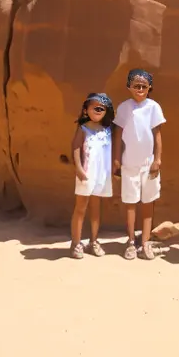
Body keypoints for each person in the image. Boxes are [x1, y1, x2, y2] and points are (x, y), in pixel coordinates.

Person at [112, 68, 166, 261]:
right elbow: (118, 134)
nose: (140, 89)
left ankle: (145, 242)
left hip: (148, 163)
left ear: (149, 87)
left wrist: (157, 159)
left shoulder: (153, 107)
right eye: (136, 86)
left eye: (143, 86)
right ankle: (130, 242)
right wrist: (116, 159)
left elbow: (157, 134)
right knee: (130, 203)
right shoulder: (124, 108)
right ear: (129, 87)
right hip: (129, 164)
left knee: (148, 202)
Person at [69, 93, 115, 259]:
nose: (98, 110)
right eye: (95, 107)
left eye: (101, 108)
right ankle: (76, 243)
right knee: (80, 208)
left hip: (101, 176)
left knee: (96, 209)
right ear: (86, 110)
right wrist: (79, 169)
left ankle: (93, 241)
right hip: (86, 174)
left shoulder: (108, 130)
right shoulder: (83, 129)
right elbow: (75, 148)